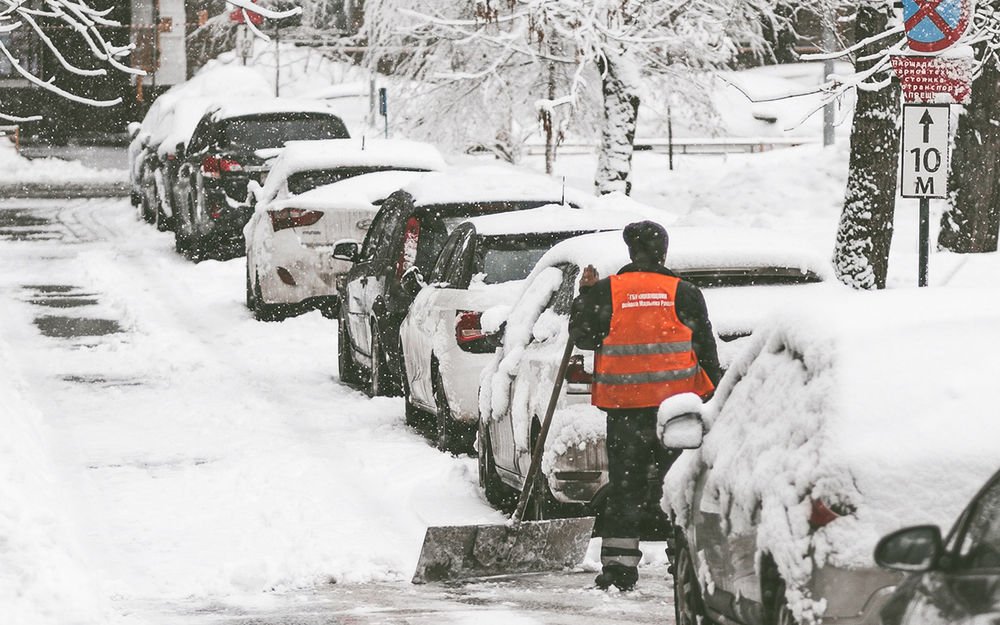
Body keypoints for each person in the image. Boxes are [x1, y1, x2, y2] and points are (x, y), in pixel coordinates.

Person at [569, 220, 721, 592]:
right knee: (680, 487)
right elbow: (706, 350)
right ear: (663, 253)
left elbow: (584, 337)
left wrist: (585, 296)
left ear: (630, 252)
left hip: (625, 412)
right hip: (677, 413)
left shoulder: (609, 292)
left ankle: (619, 572)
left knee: (626, 490)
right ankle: (686, 563)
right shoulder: (684, 293)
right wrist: (713, 396)